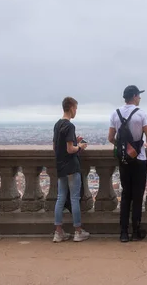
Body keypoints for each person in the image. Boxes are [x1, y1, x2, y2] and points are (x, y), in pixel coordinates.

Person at [108, 85, 147, 242]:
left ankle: (123, 233)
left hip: (124, 159)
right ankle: (136, 230)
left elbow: (110, 138)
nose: (140, 98)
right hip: (139, 159)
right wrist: (144, 147)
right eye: (139, 96)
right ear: (134, 96)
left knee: (126, 194)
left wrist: (123, 148)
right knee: (138, 195)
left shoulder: (116, 113)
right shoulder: (141, 114)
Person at [53, 97, 90, 242]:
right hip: (71, 166)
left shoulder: (57, 124)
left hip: (60, 166)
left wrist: (75, 140)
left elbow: (56, 147)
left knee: (60, 198)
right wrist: (80, 146)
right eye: (75, 108)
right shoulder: (69, 126)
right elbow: (70, 149)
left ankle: (58, 232)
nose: (76, 111)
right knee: (74, 198)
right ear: (71, 108)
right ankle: (78, 231)